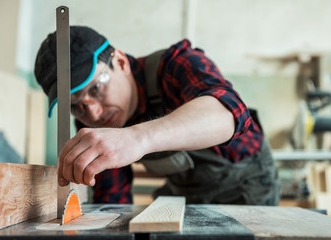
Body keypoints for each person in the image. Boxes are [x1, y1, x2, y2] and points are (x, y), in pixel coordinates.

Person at [34, 26, 280, 205]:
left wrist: (136, 138)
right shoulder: (93, 119)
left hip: (249, 181)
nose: (93, 113)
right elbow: (112, 198)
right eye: (76, 106)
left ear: (120, 62)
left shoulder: (175, 65)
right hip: (187, 190)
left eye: (96, 88)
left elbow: (229, 113)